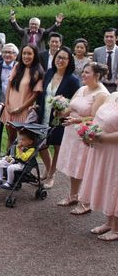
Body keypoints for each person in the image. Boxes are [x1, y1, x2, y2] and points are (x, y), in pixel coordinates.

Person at [57, 62, 109, 215]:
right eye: (83, 72)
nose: (83, 75)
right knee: (74, 167)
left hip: (85, 136)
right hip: (71, 133)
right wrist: (60, 107)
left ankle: (86, 203)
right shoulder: (81, 88)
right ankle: (73, 195)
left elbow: (95, 117)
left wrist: (76, 121)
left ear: (97, 76)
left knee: (86, 169)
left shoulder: (101, 94)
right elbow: (70, 107)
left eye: (87, 72)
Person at [36, 47, 80, 189]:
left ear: (69, 61)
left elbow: (75, 102)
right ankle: (48, 168)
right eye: (58, 57)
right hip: (44, 115)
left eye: (64, 58)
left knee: (57, 146)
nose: (60, 60)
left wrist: (63, 110)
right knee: (41, 144)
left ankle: (51, 175)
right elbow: (42, 93)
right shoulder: (49, 73)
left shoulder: (73, 80)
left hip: (59, 119)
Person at [78, 91, 118, 241]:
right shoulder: (113, 95)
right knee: (106, 183)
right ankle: (108, 222)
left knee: (115, 185)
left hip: (115, 150)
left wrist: (102, 138)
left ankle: (117, 229)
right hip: (102, 149)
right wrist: (88, 133)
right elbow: (97, 119)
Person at [1, 44, 44, 148]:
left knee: (23, 140)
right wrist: (6, 104)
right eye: (24, 53)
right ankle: (8, 159)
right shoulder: (17, 66)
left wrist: (20, 109)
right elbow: (9, 86)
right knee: (10, 138)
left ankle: (20, 162)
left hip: (23, 110)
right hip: (10, 108)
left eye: (29, 53)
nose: (26, 56)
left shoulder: (38, 71)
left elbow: (34, 95)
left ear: (35, 55)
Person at [92, 28, 118, 93]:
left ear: (116, 38)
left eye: (111, 37)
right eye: (106, 37)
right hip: (100, 87)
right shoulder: (97, 51)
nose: (108, 39)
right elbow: (94, 69)